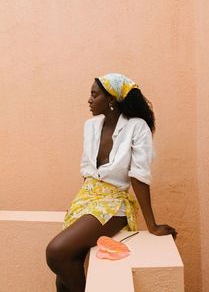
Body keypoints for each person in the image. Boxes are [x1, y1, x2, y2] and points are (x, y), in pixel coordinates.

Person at [46, 73, 177, 292]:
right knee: (66, 269)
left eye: (94, 95)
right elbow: (88, 170)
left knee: (56, 251)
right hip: (86, 198)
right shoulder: (90, 126)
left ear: (111, 100)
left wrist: (152, 225)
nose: (89, 100)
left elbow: (139, 176)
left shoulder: (137, 127)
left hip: (114, 202)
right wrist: (83, 204)